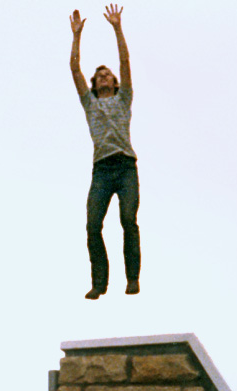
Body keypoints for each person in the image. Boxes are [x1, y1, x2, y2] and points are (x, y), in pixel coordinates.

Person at [70, 4, 141, 300]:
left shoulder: (124, 99)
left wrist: (117, 28)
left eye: (107, 74)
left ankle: (132, 278)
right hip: (101, 169)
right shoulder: (90, 104)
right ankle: (100, 283)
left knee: (127, 219)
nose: (103, 76)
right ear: (95, 85)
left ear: (114, 82)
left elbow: (125, 61)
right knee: (92, 225)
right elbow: (75, 70)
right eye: (98, 75)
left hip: (125, 168)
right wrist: (76, 37)